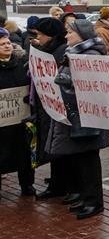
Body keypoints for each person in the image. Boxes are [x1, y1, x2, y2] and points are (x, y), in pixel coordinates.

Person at [50, 18, 109, 219]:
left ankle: (94, 202)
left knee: (88, 160)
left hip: (88, 117)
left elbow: (88, 87)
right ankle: (86, 197)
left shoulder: (91, 55)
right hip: (76, 115)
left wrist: (68, 73)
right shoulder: (74, 53)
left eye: (70, 32)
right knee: (79, 158)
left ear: (82, 35)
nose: (66, 35)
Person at [30, 18, 70, 201]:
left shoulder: (60, 52)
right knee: (55, 148)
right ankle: (58, 183)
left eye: (40, 35)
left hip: (60, 110)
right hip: (50, 108)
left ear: (50, 35)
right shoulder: (51, 50)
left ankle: (62, 185)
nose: (38, 38)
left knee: (60, 150)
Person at [0, 28, 34, 197]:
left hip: (21, 119)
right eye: (2, 44)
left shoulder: (21, 63)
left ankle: (27, 185)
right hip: (2, 122)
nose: (7, 46)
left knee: (24, 153)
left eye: (8, 43)